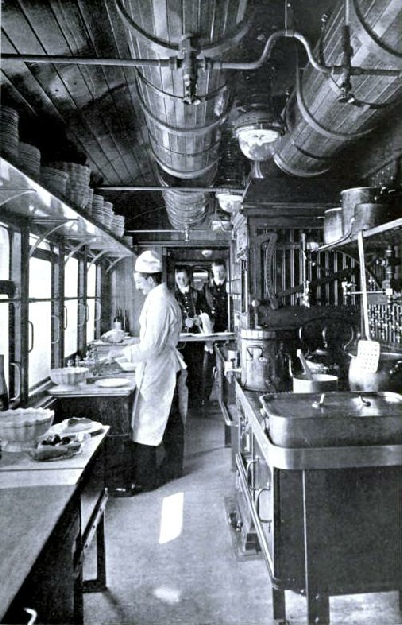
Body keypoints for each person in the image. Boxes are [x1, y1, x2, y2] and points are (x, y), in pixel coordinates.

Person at [117, 250, 184, 494]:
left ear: (150, 278)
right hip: (160, 366)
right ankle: (171, 467)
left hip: (159, 369)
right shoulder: (159, 297)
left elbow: (152, 346)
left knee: (148, 422)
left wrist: (125, 354)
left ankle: (147, 479)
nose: (137, 287)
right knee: (167, 419)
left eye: (138, 281)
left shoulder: (160, 302)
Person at [174, 265, 211, 406]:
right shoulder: (172, 296)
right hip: (179, 342)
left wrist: (199, 319)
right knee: (180, 373)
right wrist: (183, 322)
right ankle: (181, 405)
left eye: (184, 278)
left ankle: (195, 405)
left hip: (196, 340)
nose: (181, 281)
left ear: (188, 278)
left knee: (196, 372)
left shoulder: (197, 294)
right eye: (179, 278)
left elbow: (207, 312)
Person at [201, 259, 229, 403]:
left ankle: (225, 398)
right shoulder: (206, 288)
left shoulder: (230, 286)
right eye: (216, 271)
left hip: (226, 332)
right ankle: (204, 398)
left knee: (226, 366)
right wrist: (205, 318)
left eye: (222, 271)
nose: (219, 273)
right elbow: (201, 307)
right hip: (211, 333)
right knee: (207, 366)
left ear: (225, 271)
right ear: (212, 271)